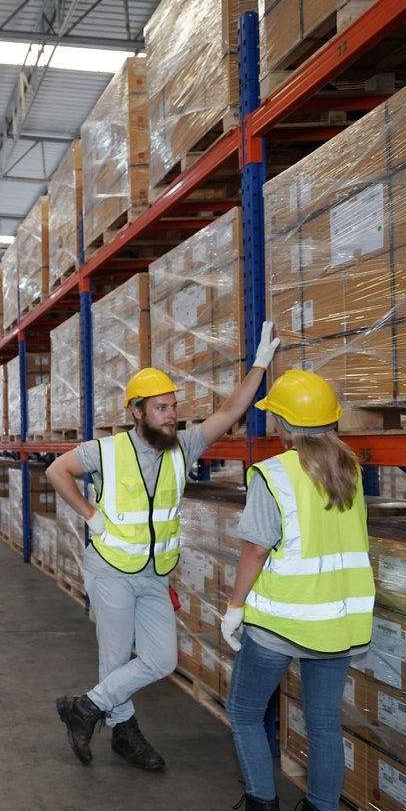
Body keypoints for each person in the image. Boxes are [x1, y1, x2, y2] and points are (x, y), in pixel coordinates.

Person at [47, 322, 279, 771]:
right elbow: (58, 470)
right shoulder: (107, 451)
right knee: (114, 658)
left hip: (155, 575)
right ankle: (124, 733)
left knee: (161, 658)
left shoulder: (184, 447)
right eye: (161, 408)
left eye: (173, 407)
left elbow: (231, 411)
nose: (172, 415)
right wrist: (92, 517)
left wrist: (260, 366)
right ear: (137, 412)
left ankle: (86, 707)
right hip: (111, 569)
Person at [220, 369, 373, 811]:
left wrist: (235, 607)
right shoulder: (350, 468)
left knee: (244, 712)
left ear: (283, 423)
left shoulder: (275, 473)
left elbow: (257, 548)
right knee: (325, 725)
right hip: (338, 624)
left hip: (280, 624)